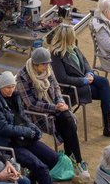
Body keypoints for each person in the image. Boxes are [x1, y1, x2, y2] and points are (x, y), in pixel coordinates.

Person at [47, 23, 110, 140]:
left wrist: (89, 73)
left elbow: (85, 62)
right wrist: (83, 80)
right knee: (104, 91)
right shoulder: (56, 54)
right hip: (73, 88)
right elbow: (62, 79)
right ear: (67, 38)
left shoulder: (73, 47)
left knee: (104, 82)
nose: (75, 38)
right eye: (72, 36)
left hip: (85, 81)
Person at [17, 47, 87, 177]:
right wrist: (54, 108)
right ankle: (75, 160)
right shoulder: (23, 76)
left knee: (67, 119)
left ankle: (74, 159)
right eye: (44, 64)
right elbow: (31, 104)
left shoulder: (48, 70)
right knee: (67, 122)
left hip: (53, 108)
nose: (47, 66)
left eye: (48, 63)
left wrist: (59, 101)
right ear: (35, 64)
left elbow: (56, 87)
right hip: (37, 115)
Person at [0, 69, 60, 184]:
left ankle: (31, 180)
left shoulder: (15, 96)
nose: (11, 90)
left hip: (22, 139)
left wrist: (33, 128)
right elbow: (4, 128)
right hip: (8, 144)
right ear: (0, 87)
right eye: (8, 87)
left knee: (53, 158)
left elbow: (22, 117)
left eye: (13, 86)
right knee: (41, 168)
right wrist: (26, 131)